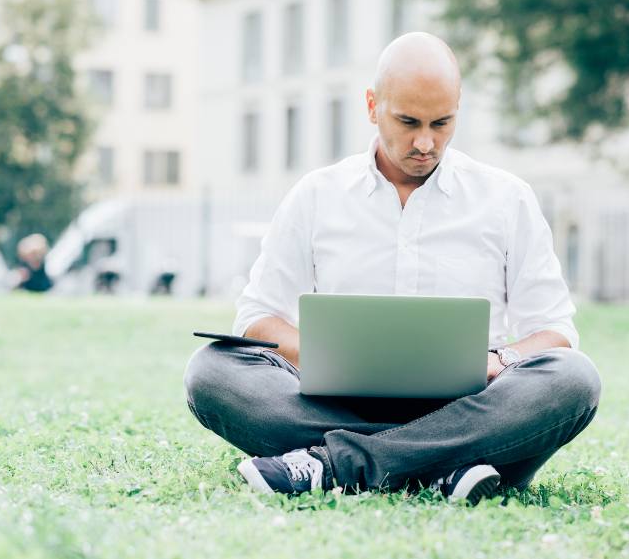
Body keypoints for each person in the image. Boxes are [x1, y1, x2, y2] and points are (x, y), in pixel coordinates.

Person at [184, 32, 601, 505]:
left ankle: (333, 464)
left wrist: (497, 362)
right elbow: (257, 317)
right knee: (212, 371)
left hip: (471, 406)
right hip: (340, 404)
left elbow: (555, 332)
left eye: (441, 123)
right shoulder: (317, 195)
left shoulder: (507, 199)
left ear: (458, 109)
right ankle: (448, 467)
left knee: (574, 379)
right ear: (372, 106)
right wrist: (331, 355)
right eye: (408, 122)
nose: (426, 142)